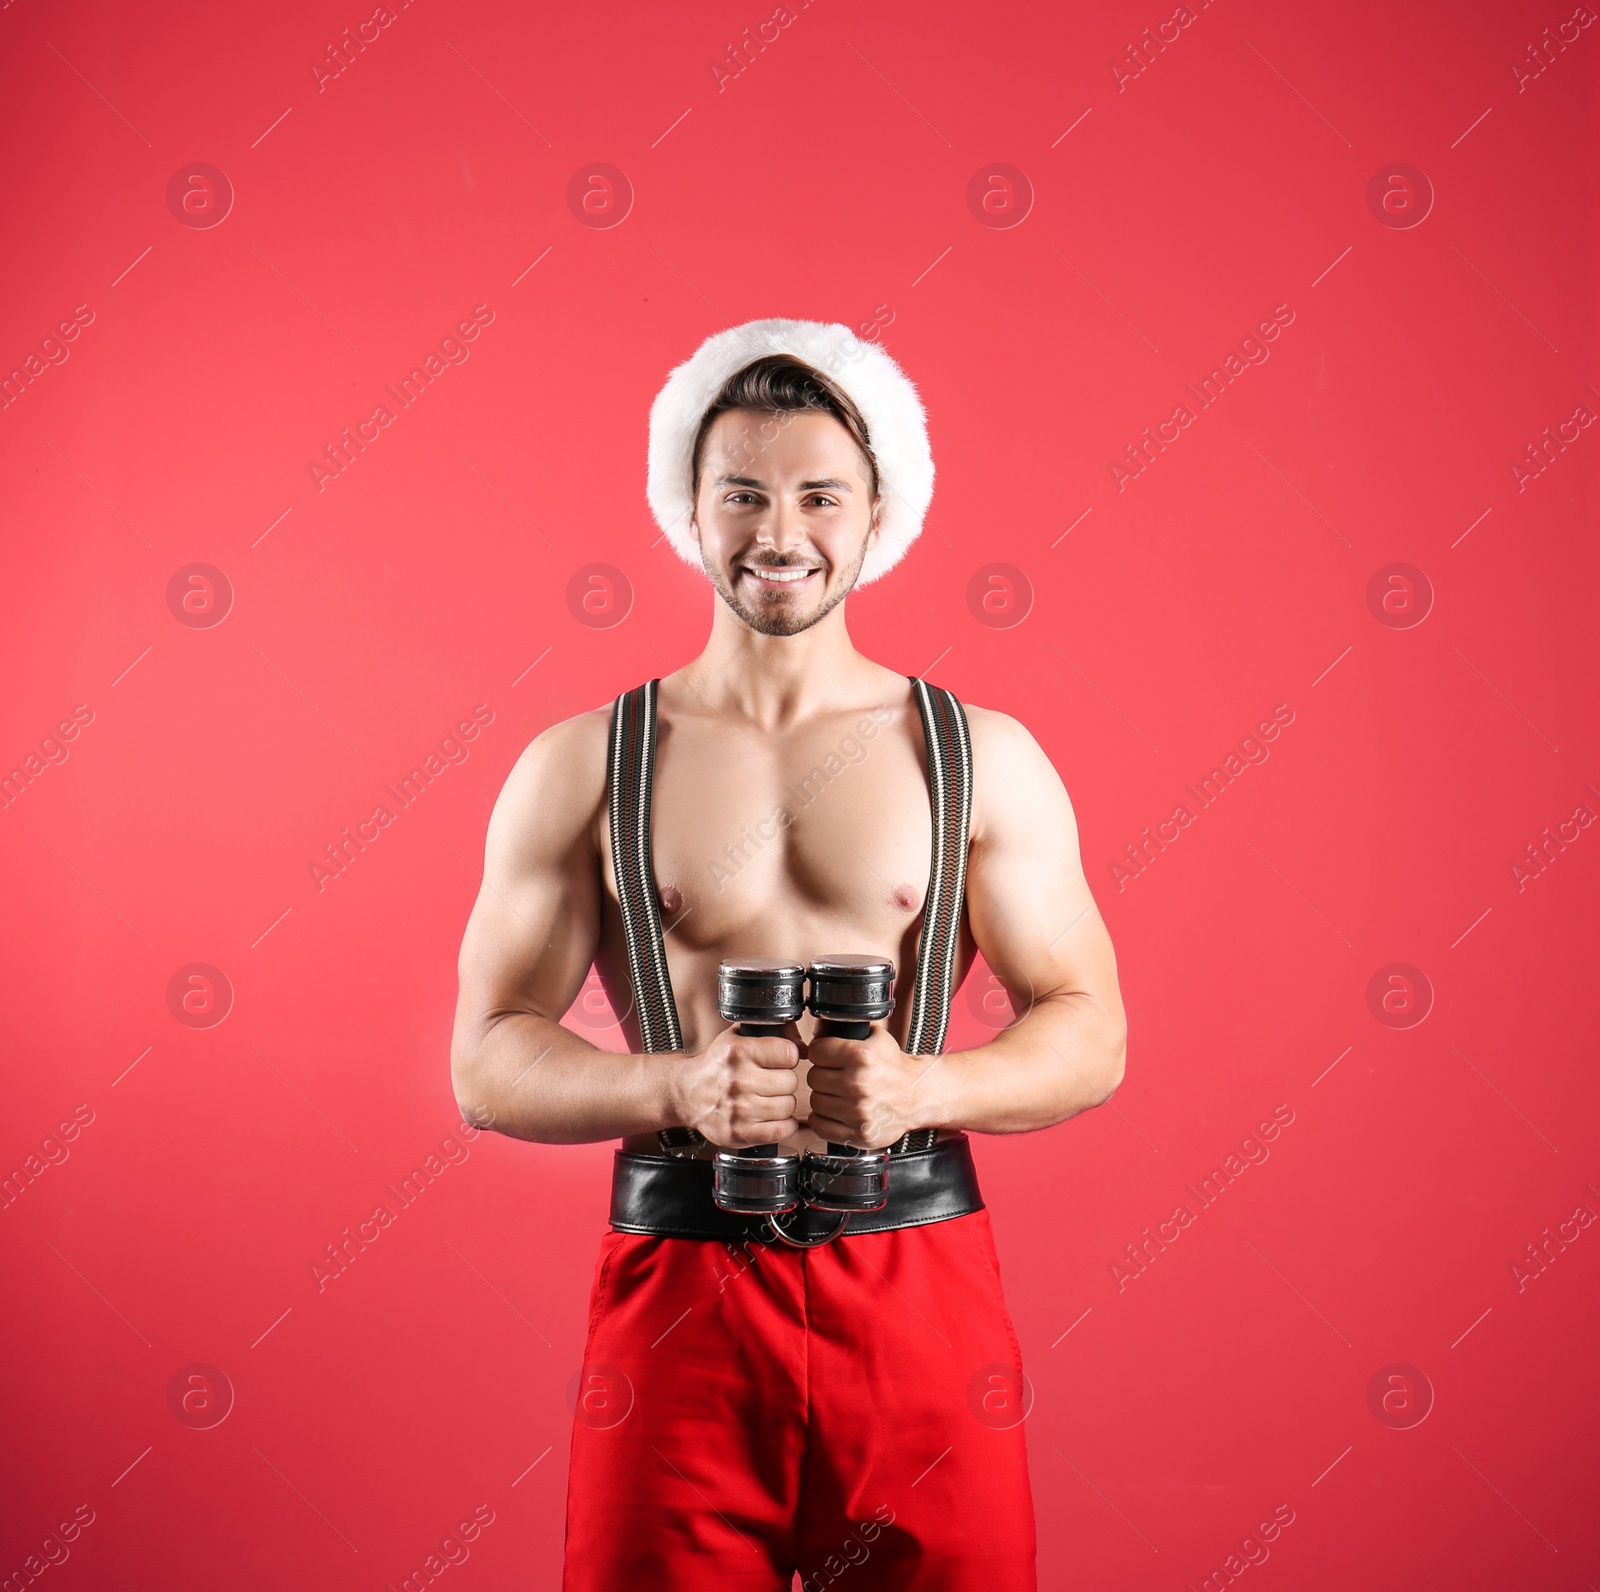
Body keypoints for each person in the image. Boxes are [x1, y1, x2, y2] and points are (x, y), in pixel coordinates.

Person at [450, 319, 1127, 1590]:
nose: (779, 531)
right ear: (687, 512)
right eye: (742, 494)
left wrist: (930, 1088)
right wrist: (671, 1087)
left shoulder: (980, 757)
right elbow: (485, 1062)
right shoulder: (580, 766)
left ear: (880, 517)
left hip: (917, 1281)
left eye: (820, 494)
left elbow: (1091, 1027)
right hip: (683, 1291)